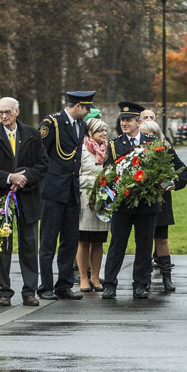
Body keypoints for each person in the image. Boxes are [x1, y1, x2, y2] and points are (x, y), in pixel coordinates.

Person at [101, 103, 187, 299]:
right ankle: (110, 284)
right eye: (122, 120)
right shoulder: (114, 145)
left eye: (129, 120)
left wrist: (172, 183)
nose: (124, 124)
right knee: (117, 245)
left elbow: (178, 167)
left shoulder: (154, 143)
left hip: (148, 203)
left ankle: (141, 284)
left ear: (138, 122)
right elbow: (107, 172)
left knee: (145, 245)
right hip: (123, 204)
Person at [0, 97, 48, 307]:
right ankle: (4, 291)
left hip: (27, 197)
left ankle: (29, 291)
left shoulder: (33, 135)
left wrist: (23, 178)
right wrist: (9, 178)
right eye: (1, 112)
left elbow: (43, 164)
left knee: (29, 245)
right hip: (0, 199)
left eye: (8, 111)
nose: (4, 116)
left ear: (17, 111)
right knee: (1, 245)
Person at [38, 90, 96, 300]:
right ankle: (45, 286)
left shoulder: (81, 125)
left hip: (72, 189)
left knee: (70, 240)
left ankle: (64, 284)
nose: (89, 113)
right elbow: (40, 154)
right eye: (87, 108)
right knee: (48, 241)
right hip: (53, 190)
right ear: (78, 106)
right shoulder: (51, 123)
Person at [139, 119, 187, 291]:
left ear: (156, 136)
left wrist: (173, 182)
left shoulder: (166, 149)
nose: (147, 139)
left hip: (160, 200)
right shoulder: (135, 150)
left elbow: (183, 170)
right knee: (144, 241)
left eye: (150, 135)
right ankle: (143, 279)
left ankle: (166, 276)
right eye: (144, 135)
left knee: (161, 239)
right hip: (141, 201)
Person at [76, 116, 110, 294]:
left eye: (105, 131)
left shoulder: (108, 150)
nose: (104, 134)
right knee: (84, 240)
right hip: (85, 198)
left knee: (98, 240)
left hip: (102, 199)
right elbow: (77, 174)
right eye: (100, 131)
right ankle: (83, 277)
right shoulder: (82, 150)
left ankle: (95, 277)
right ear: (90, 132)